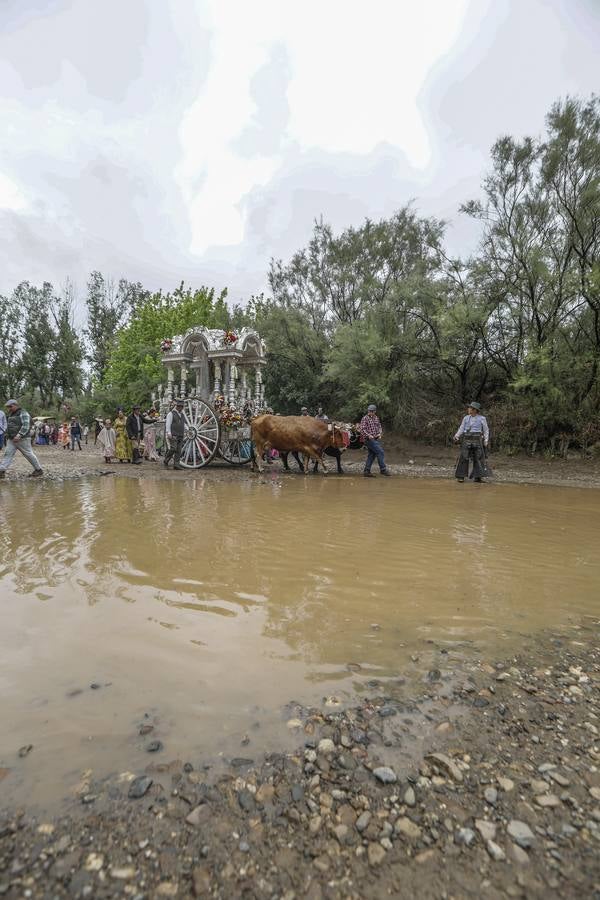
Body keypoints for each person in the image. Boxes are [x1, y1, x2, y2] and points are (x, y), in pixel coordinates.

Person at [0, 399, 43, 478]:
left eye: (10, 406)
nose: (9, 408)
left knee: (28, 454)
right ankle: (1, 471)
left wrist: (19, 435)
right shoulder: (11, 414)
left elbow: (26, 425)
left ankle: (38, 469)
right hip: (11, 438)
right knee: (7, 454)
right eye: (8, 407)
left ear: (16, 405)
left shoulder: (23, 413)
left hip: (22, 439)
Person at [454, 401, 490, 483]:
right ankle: (461, 476)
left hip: (477, 440)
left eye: (470, 408)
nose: (468, 409)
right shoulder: (466, 418)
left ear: (475, 410)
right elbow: (461, 428)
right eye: (469, 408)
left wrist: (486, 440)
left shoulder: (482, 419)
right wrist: (457, 436)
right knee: (464, 457)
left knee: (479, 458)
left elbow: (486, 430)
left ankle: (478, 477)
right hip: (467, 439)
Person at [359, 403, 391, 477]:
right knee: (380, 452)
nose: (370, 412)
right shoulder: (365, 418)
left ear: (375, 411)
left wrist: (380, 433)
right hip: (369, 439)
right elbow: (362, 429)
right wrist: (368, 435)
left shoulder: (376, 418)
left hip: (375, 439)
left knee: (372, 455)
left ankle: (366, 471)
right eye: (369, 411)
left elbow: (379, 426)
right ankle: (383, 469)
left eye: (372, 411)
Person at [164, 399, 186, 470]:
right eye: (179, 406)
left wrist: (188, 430)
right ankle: (166, 459)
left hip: (180, 434)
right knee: (173, 448)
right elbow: (168, 424)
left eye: (182, 406)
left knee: (179, 450)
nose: (181, 408)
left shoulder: (182, 415)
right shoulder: (171, 414)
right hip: (173, 434)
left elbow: (183, 424)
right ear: (177, 406)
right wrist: (169, 433)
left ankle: (176, 464)